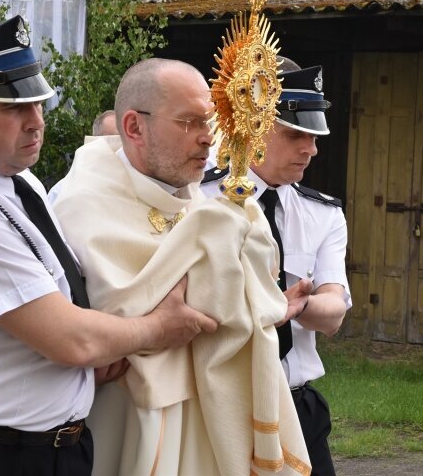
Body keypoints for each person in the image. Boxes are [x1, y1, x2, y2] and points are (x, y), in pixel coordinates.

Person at [0, 17, 216, 476]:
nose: (36, 122)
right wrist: (158, 329)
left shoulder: (16, 182)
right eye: (13, 109)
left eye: (39, 103)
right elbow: (71, 338)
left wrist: (89, 366)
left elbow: (62, 292)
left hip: (43, 450)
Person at [54, 57, 311, 475]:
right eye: (190, 122)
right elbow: (99, 324)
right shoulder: (80, 204)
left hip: (208, 414)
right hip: (125, 418)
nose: (207, 139)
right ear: (135, 127)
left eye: (209, 122)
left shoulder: (196, 200)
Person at [201, 61, 351, 476]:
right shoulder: (201, 200)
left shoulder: (322, 214)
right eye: (295, 134)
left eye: (315, 135)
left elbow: (333, 314)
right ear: (253, 127)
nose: (312, 148)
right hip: (224, 403)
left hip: (297, 401)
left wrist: (296, 308)